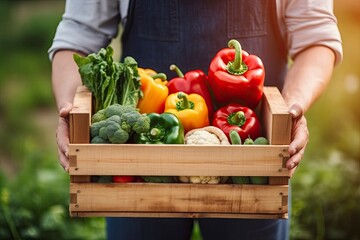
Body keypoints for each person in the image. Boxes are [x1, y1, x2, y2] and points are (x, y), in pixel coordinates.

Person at [49, 0, 342, 239]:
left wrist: (293, 107)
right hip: (140, 165)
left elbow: (316, 36)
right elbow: (77, 37)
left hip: (252, 163)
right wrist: (70, 108)